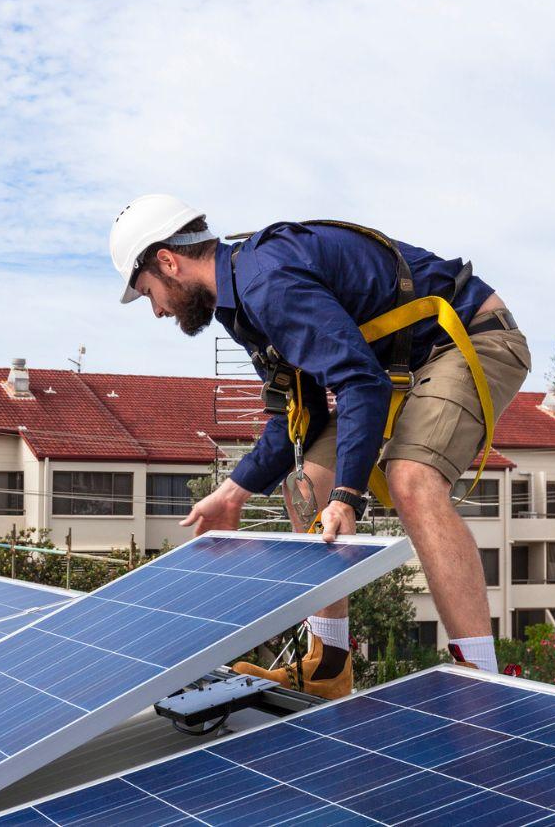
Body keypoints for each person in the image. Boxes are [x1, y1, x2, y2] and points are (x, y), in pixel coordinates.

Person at [109, 194, 531, 699]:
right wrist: (233, 493)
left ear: (168, 261)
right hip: (395, 366)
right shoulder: (241, 303)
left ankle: (480, 682)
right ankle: (328, 665)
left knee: (411, 480)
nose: (156, 310)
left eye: (149, 292)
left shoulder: (266, 281)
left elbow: (360, 384)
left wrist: (348, 496)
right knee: (307, 483)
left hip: (469, 337)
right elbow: (299, 417)